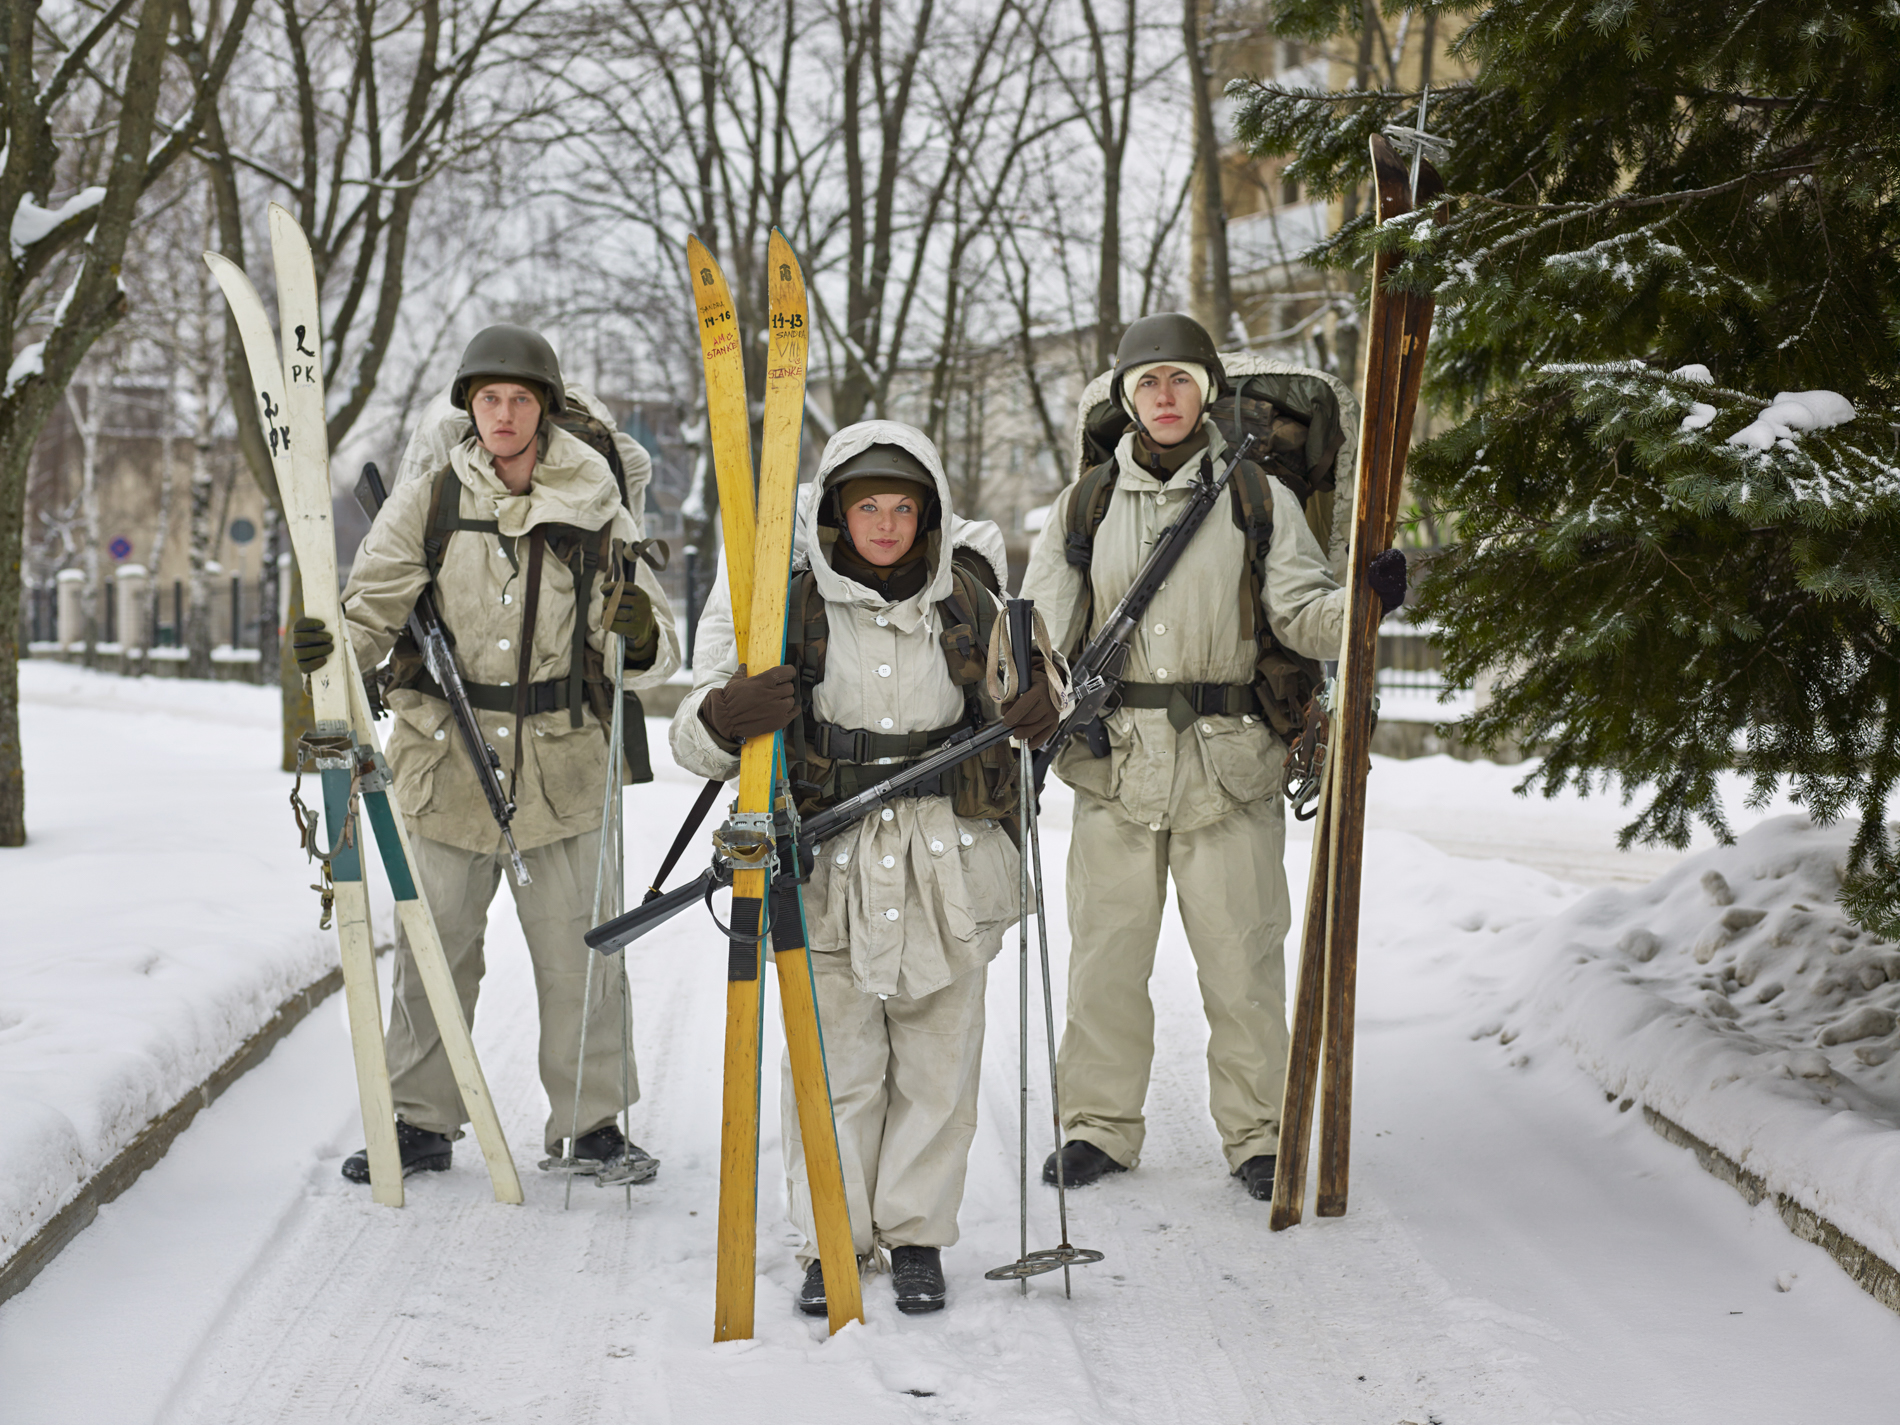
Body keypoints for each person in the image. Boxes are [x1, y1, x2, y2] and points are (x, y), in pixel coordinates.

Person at [670, 420, 1058, 1314]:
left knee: (938, 1067)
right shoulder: (783, 601)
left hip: (949, 864)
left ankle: (917, 1236)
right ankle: (832, 1242)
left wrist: (1043, 703)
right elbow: (691, 731)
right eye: (867, 506)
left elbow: (1038, 695)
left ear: (927, 516)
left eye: (903, 507)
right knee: (833, 1066)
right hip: (823, 867)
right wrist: (727, 713)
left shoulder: (969, 599)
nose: (885, 523)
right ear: (839, 516)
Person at [1019, 312, 1404, 1201]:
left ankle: (1259, 1133)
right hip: (1116, 763)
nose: (1164, 396)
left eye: (1180, 380)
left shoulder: (1256, 495)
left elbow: (1303, 611)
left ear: (1206, 393)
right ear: (1126, 397)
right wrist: (1022, 690)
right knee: (1106, 959)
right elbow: (1040, 628)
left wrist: (1362, 602)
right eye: (1147, 381)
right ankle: (1097, 1127)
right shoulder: (1086, 507)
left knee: (1243, 960)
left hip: (1230, 766)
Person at [291, 324, 681, 1185]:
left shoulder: (592, 500)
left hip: (566, 766)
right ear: (469, 406)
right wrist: (329, 648)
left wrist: (638, 630)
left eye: (520, 399)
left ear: (543, 408)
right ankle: (420, 1120)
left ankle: (593, 1127)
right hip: (443, 762)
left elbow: (658, 650)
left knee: (582, 953)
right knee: (435, 945)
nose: (503, 414)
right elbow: (373, 605)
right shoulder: (429, 497)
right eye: (488, 398)